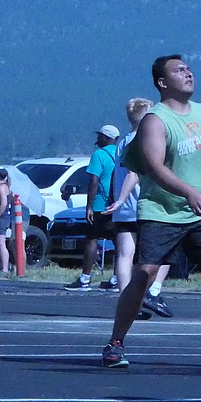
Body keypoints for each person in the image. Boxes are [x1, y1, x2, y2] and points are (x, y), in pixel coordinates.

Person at [101, 54, 201, 369]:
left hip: (200, 211)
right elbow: (154, 167)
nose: (187, 73)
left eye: (188, 68)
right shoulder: (155, 120)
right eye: (178, 70)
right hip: (162, 210)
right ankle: (115, 343)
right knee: (145, 274)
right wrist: (189, 192)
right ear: (162, 82)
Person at [105, 97, 172, 314]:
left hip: (124, 209)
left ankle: (127, 300)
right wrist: (123, 198)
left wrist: (118, 200)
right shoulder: (145, 140)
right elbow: (135, 173)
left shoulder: (122, 141)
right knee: (160, 252)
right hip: (143, 204)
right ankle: (151, 292)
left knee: (125, 253)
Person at [64, 124, 120, 291]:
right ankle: (117, 279)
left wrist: (89, 206)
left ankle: (85, 278)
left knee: (91, 239)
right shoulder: (120, 154)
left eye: (100, 136)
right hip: (117, 204)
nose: (97, 139)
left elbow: (94, 181)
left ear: (105, 137)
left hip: (100, 204)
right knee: (119, 242)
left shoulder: (99, 155)